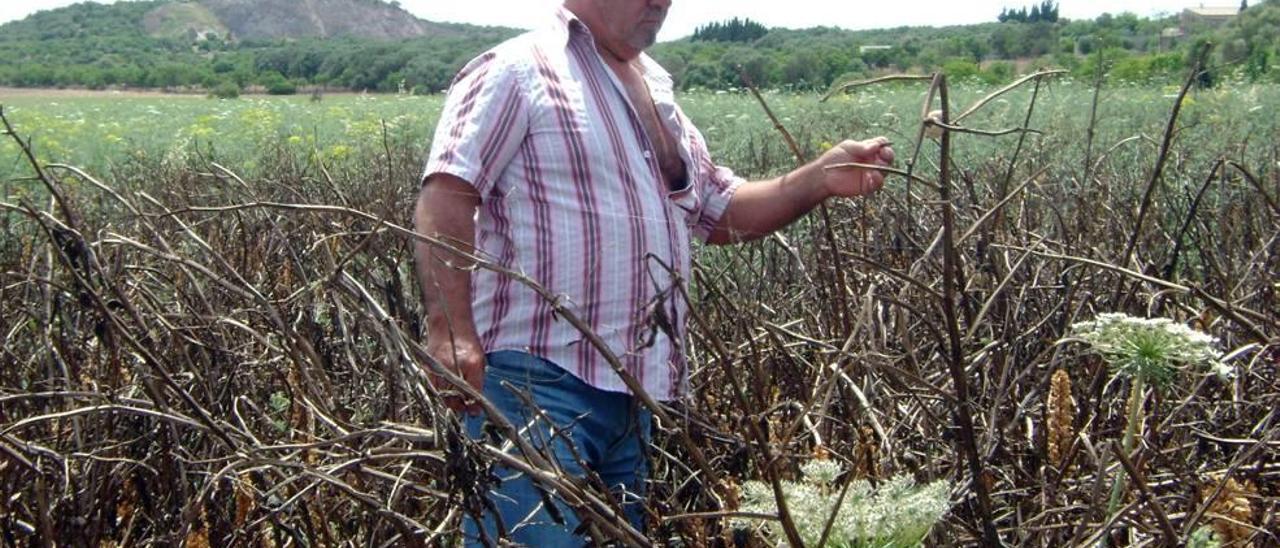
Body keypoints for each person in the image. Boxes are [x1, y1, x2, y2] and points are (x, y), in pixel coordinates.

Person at [413, 0, 894, 544]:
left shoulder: (654, 89)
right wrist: (451, 330)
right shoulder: (518, 68)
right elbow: (448, 192)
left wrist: (819, 178)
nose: (661, 2)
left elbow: (719, 212)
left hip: (635, 393)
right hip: (536, 380)